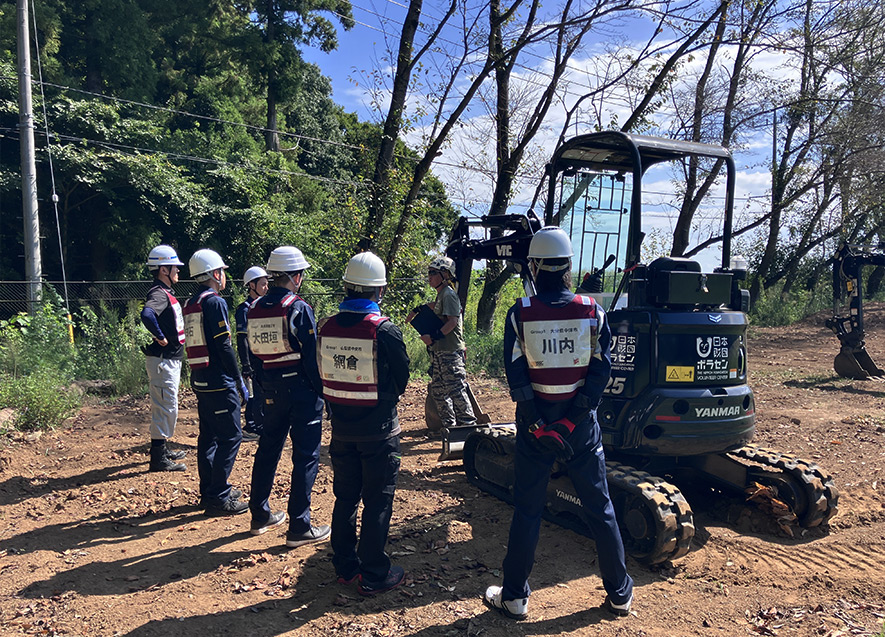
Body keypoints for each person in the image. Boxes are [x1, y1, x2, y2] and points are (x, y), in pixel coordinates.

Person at [483, 227, 634, 620]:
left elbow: (516, 375)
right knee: (600, 508)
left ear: (534, 266)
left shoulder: (521, 313)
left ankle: (514, 596)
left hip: (536, 431)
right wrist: (571, 422)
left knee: (528, 511)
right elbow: (601, 372)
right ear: (569, 266)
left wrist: (539, 423)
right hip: (580, 431)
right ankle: (619, 593)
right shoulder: (592, 311)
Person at [317, 252, 410, 596]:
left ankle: (344, 567)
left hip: (341, 430)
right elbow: (401, 378)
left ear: (346, 286)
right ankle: (373, 573)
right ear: (379, 291)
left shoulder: (326, 328)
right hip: (379, 433)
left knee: (345, 498)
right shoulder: (384, 330)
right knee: (377, 501)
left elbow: (319, 376)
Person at [246, 246, 329, 546]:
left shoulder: (254, 308)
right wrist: (323, 393)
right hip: (301, 392)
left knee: (268, 449)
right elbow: (312, 358)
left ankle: (259, 514)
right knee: (305, 457)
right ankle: (299, 526)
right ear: (295, 276)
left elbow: (252, 354)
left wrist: (262, 386)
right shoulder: (298, 308)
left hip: (269, 389)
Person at [184, 249, 248, 516]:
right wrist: (237, 378)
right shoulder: (215, 303)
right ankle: (219, 495)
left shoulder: (190, 302)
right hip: (218, 380)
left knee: (208, 437)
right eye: (221, 271)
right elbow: (223, 346)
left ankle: (208, 490)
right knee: (231, 436)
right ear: (214, 274)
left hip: (200, 377)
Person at [406, 256, 475, 431]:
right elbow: (434, 306)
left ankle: (468, 427)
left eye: (433, 273)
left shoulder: (449, 295)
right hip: (440, 351)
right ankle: (448, 428)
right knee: (438, 390)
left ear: (445, 274)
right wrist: (417, 309)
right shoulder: (442, 295)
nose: (429, 276)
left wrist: (433, 336)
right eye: (429, 273)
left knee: (456, 389)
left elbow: (452, 322)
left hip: (450, 351)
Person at [140, 245, 188, 472]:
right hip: (163, 361)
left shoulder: (166, 292)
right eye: (174, 267)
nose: (178, 270)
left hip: (168, 360)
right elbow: (147, 314)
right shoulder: (159, 293)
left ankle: (163, 448)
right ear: (163, 270)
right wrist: (159, 337)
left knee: (169, 406)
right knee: (165, 407)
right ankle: (158, 459)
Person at [236, 266, 269, 441]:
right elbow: (242, 339)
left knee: (262, 394)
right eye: (263, 284)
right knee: (254, 395)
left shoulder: (263, 307)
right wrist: (246, 364)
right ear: (251, 285)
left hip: (264, 359)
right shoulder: (244, 309)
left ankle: (258, 424)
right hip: (253, 360)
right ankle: (251, 426)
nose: (266, 288)